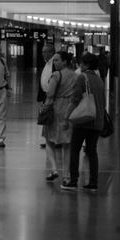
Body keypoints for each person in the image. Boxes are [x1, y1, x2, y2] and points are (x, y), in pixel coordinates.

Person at [61, 52, 105, 191]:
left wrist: (66, 116)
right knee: (92, 151)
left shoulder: (82, 77)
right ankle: (93, 183)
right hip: (97, 120)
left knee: (75, 149)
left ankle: (73, 181)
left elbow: (75, 99)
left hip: (83, 120)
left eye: (81, 63)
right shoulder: (99, 79)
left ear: (86, 65)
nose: (79, 65)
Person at [41, 52, 75, 182]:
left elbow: (50, 93)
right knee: (67, 143)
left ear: (64, 61)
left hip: (55, 108)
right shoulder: (75, 75)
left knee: (49, 140)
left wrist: (44, 107)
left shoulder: (56, 75)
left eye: (57, 60)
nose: (54, 63)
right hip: (70, 108)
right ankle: (66, 175)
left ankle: (54, 169)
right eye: (54, 60)